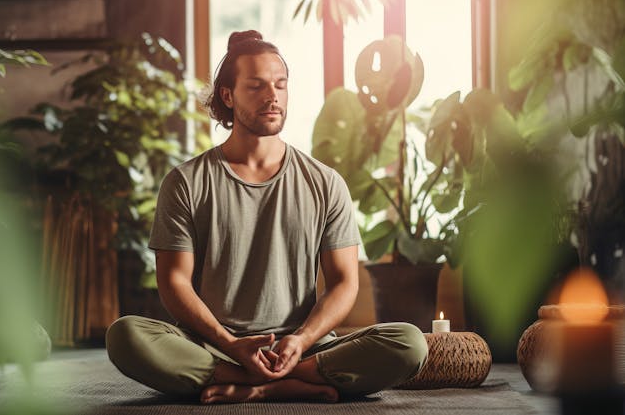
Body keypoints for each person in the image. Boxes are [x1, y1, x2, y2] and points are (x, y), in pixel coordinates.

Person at [106, 30, 427, 404]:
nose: (272, 96)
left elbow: (344, 283)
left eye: (280, 84)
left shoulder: (325, 183)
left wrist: (301, 340)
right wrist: (230, 343)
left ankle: (257, 384)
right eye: (256, 86)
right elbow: (174, 282)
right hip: (214, 346)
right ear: (227, 95)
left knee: (409, 343)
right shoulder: (186, 183)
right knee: (125, 336)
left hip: (302, 347)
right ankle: (287, 384)